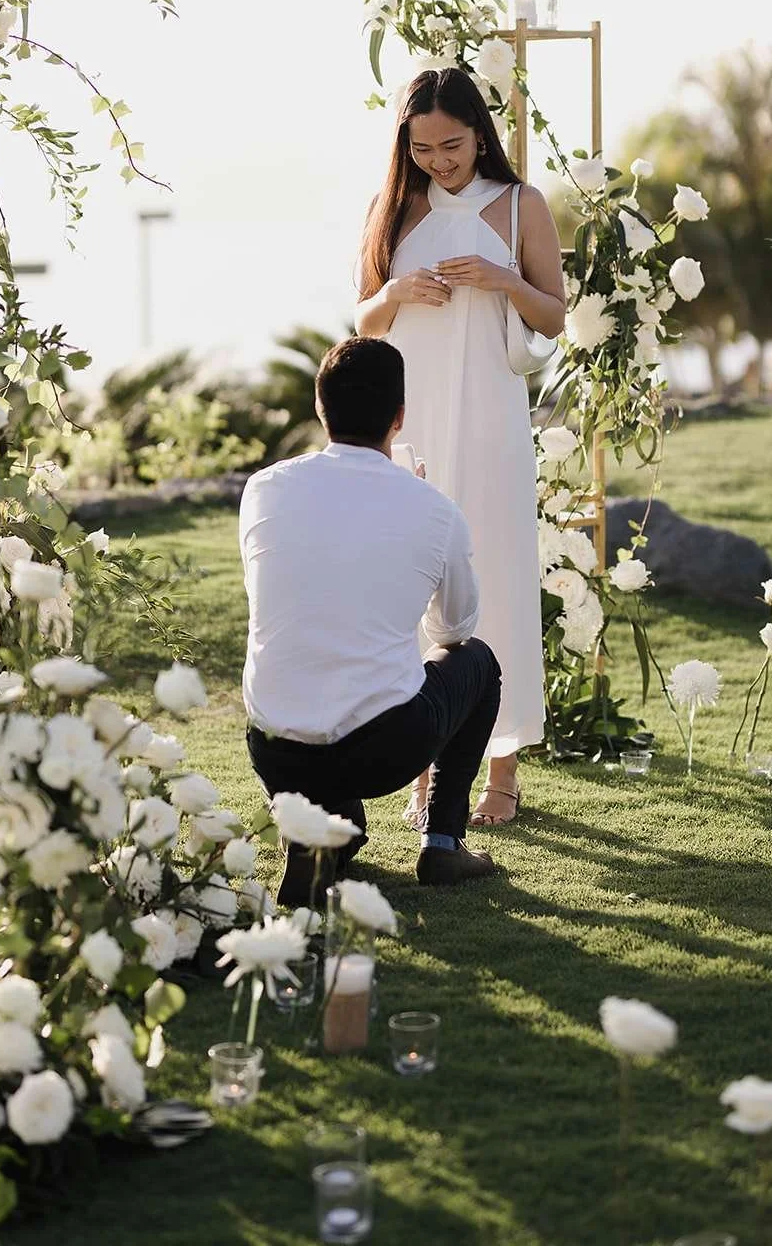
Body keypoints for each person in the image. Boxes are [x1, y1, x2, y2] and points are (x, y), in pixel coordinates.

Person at [355, 67, 565, 826]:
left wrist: (502, 279)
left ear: (480, 132)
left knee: (496, 579)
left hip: (490, 422)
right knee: (411, 586)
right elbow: (362, 320)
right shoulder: (393, 207)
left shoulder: (519, 205)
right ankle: (420, 771)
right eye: (422, 149)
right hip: (412, 420)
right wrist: (396, 293)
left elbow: (554, 318)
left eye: (450, 144)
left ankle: (500, 771)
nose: (438, 161)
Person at [242, 336, 502, 907]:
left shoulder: (261, 491)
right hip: (382, 749)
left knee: (333, 778)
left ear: (320, 406)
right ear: (400, 416)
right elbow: (454, 631)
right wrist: (422, 509)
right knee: (480, 662)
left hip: (276, 747)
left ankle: (318, 844)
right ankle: (442, 844)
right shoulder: (434, 509)